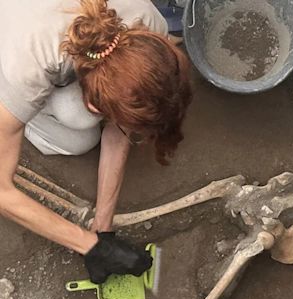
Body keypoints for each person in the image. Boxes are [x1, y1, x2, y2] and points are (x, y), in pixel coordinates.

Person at [0, 0, 192, 283]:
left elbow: (119, 130)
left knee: (78, 123)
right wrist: (89, 246)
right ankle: (18, 115)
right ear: (94, 104)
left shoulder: (148, 26)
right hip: (11, 36)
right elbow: (2, 192)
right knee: (77, 130)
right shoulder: (28, 64)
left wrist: (102, 227)